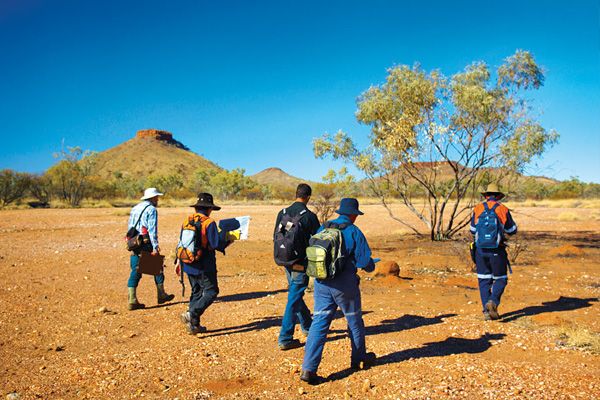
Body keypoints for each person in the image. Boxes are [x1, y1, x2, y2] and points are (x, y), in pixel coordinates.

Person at [300, 198, 376, 384]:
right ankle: (358, 359)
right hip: (345, 286)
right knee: (354, 320)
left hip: (321, 283)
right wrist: (371, 266)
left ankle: (308, 369)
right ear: (353, 215)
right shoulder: (353, 231)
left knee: (319, 323)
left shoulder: (323, 228)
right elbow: (365, 262)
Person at [273, 183, 321, 350]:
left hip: (285, 259)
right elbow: (318, 241)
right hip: (300, 262)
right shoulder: (309, 216)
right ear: (308, 197)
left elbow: (275, 236)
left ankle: (308, 326)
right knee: (294, 296)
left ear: (296, 195)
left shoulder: (282, 213)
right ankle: (285, 338)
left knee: (295, 293)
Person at [177, 193, 232, 335]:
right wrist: (228, 241)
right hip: (204, 264)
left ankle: (194, 326)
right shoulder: (209, 222)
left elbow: (182, 242)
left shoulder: (187, 220)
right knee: (211, 291)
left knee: (195, 291)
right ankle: (191, 314)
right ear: (209, 209)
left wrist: (178, 261)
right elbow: (214, 244)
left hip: (188, 262)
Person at [470, 183, 518, 321]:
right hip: (498, 249)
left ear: (486, 195)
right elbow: (512, 230)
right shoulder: (503, 209)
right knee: (501, 279)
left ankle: (486, 312)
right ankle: (493, 301)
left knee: (484, 280)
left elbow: (472, 230)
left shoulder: (478, 208)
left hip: (480, 250)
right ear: (498, 196)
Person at [126, 187, 174, 311]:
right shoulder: (151, 209)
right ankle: (161, 294)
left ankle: (132, 299)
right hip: (146, 242)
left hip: (135, 242)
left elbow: (130, 227)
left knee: (136, 270)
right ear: (153, 198)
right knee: (157, 267)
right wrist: (155, 247)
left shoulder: (135, 208)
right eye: (157, 197)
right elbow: (152, 229)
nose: (157, 199)